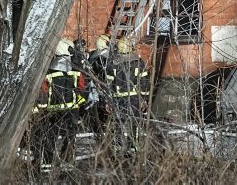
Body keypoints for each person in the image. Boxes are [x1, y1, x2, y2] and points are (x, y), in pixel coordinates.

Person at [32, 38, 88, 169]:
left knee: (50, 138)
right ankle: (67, 164)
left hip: (53, 111)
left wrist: (41, 109)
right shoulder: (76, 69)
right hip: (72, 110)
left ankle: (46, 165)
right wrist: (78, 104)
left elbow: (43, 92)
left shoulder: (49, 70)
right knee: (70, 138)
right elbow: (83, 89)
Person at [101, 36, 151, 154]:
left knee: (118, 122)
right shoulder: (139, 63)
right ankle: (134, 146)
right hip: (135, 99)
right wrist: (144, 99)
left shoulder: (113, 63)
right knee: (135, 123)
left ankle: (117, 146)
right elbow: (144, 82)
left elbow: (108, 84)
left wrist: (108, 101)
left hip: (119, 99)